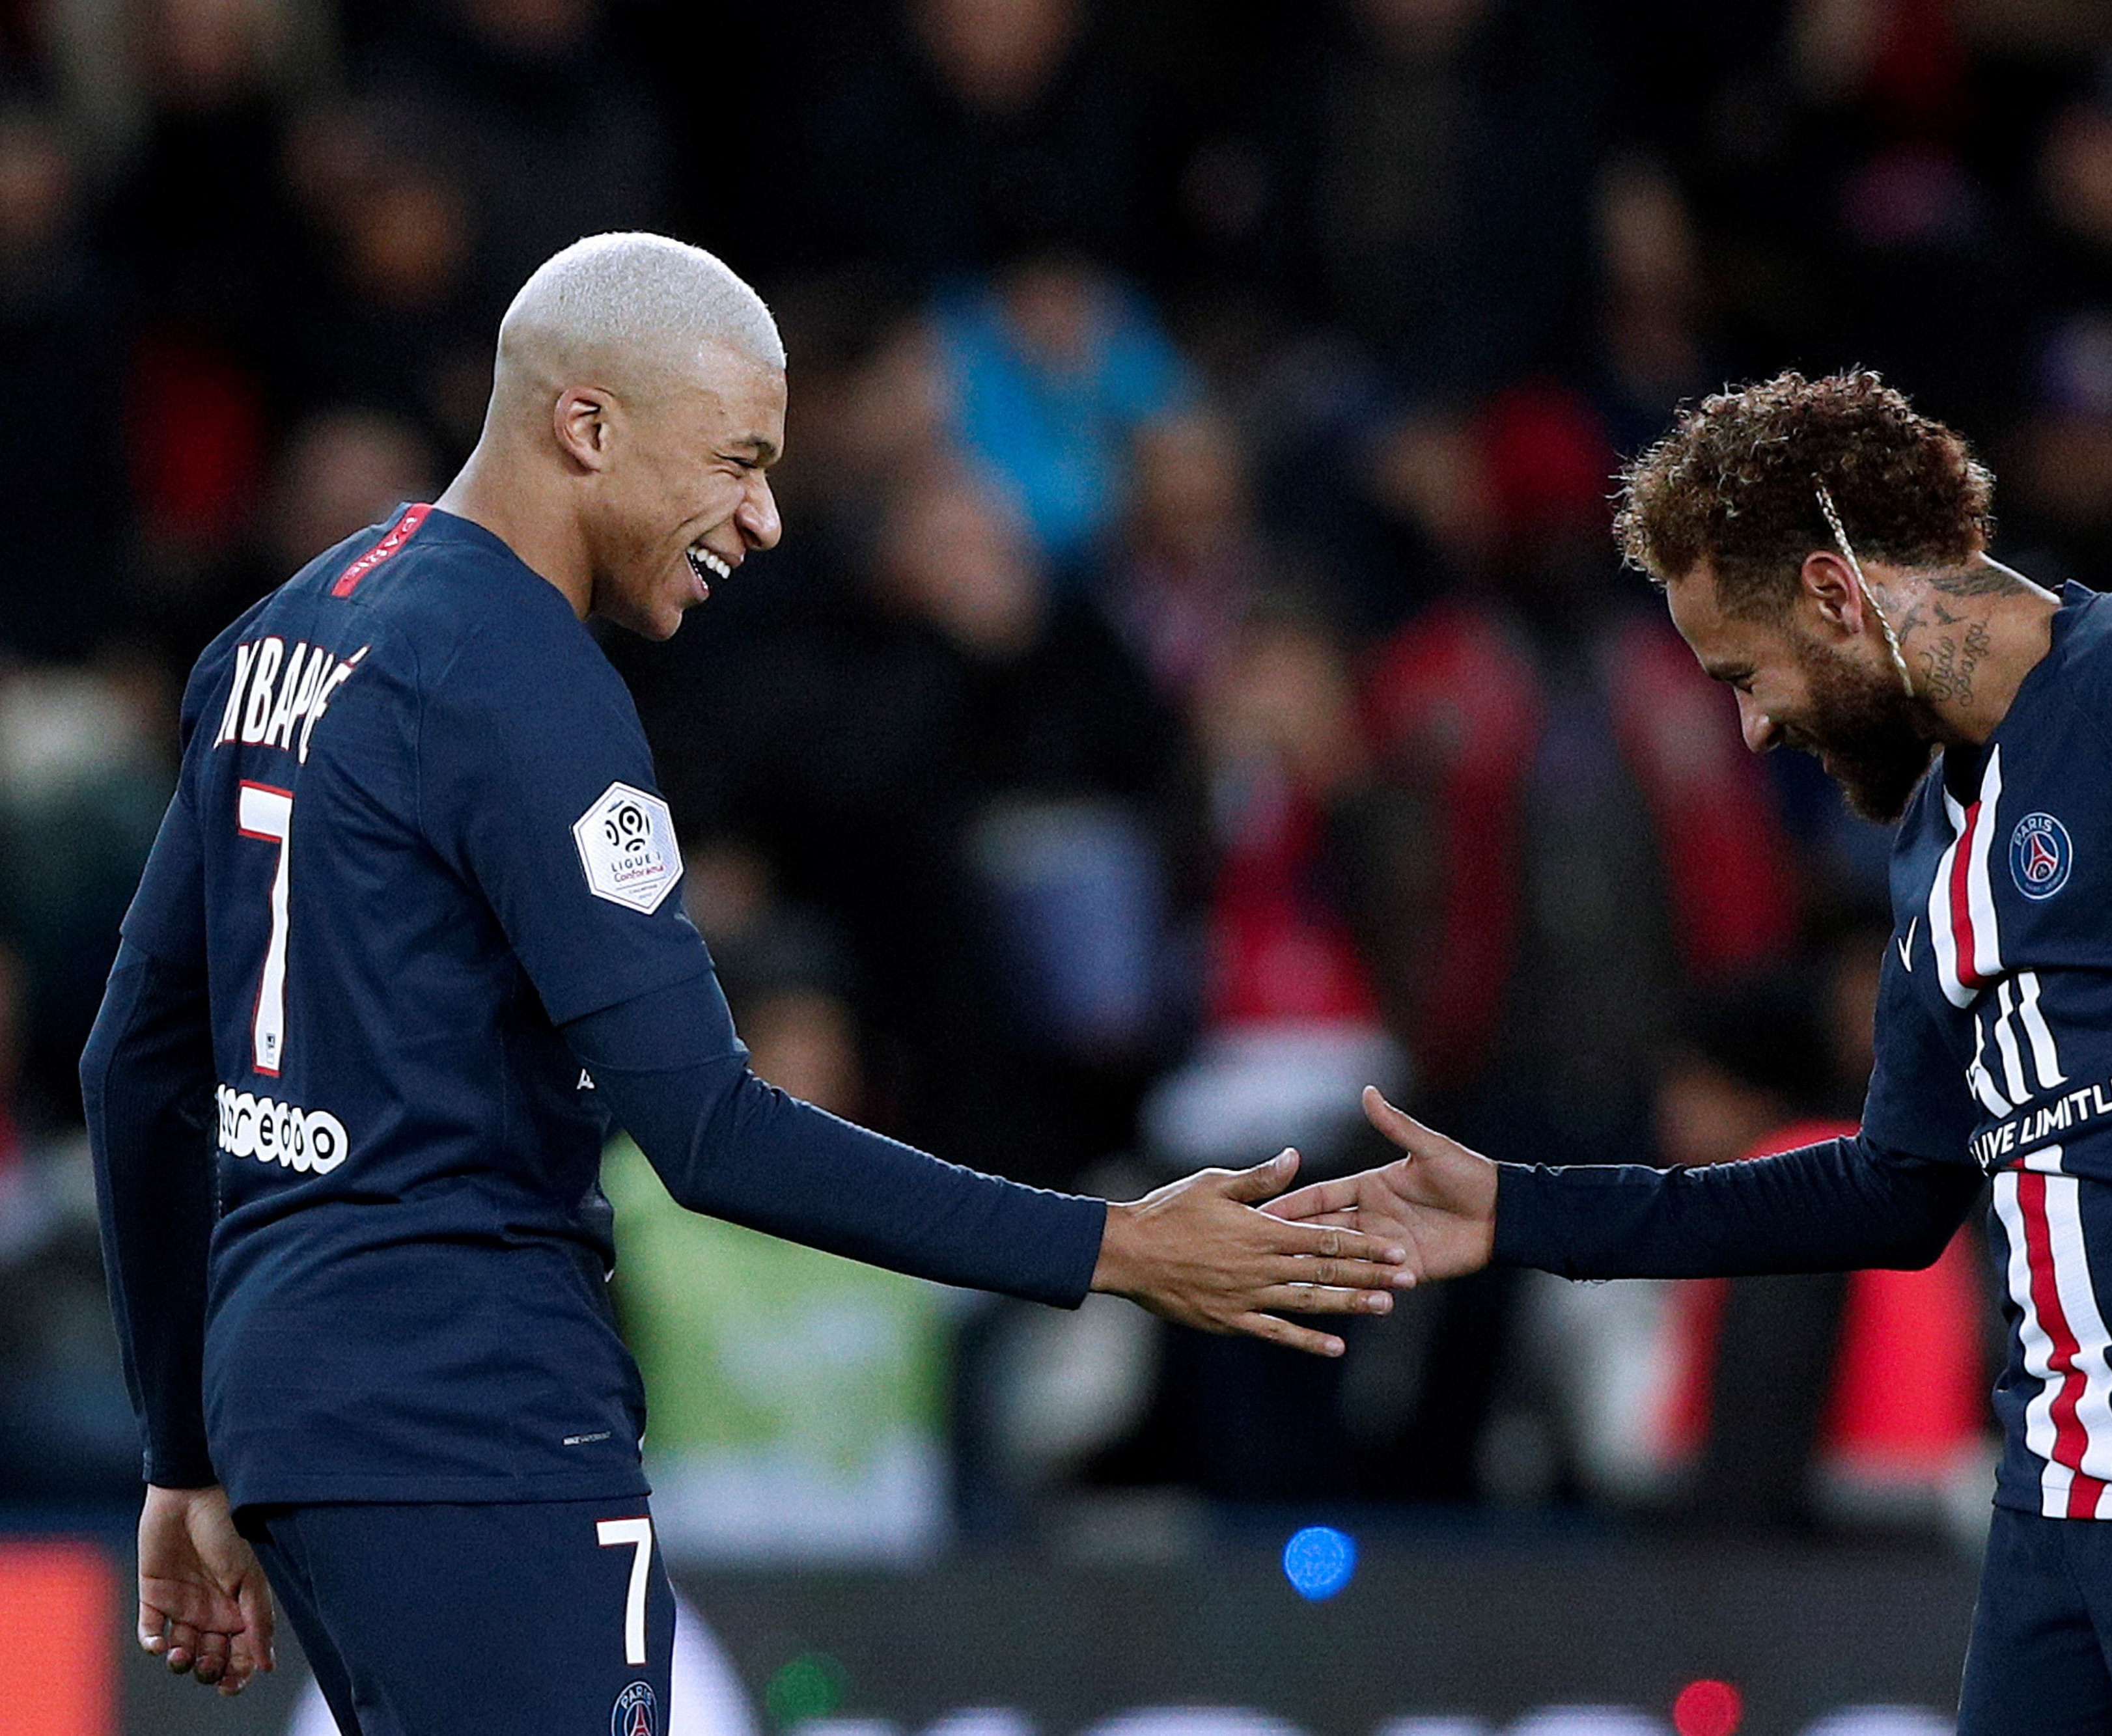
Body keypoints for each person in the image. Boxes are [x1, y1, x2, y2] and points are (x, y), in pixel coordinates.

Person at [80, 232, 1410, 1731]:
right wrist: (1114, 1247)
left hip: (298, 1404)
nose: (765, 519)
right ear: (587, 427)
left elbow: (136, 1062)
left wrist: (184, 1443)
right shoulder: (521, 683)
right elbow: (707, 1131)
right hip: (472, 1417)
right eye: (736, 460)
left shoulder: (287, 630)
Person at [1274, 370, 2112, 1734]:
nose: (1753, 725)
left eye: (1742, 674)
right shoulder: (1930, 840)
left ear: (1831, 590)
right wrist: (1525, 1206)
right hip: (2059, 1495)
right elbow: (1887, 1187)